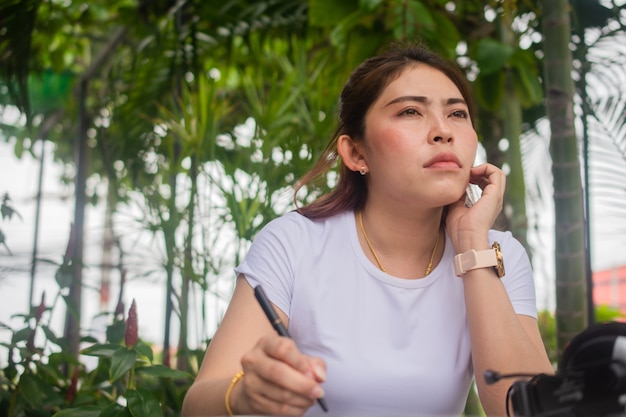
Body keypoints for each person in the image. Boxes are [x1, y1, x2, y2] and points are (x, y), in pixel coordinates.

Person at [181, 42, 553, 417]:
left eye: (457, 113)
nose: (443, 131)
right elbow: (197, 403)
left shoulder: (497, 255)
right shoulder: (294, 243)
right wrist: (243, 397)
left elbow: (526, 410)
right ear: (356, 154)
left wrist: (472, 246)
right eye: (410, 111)